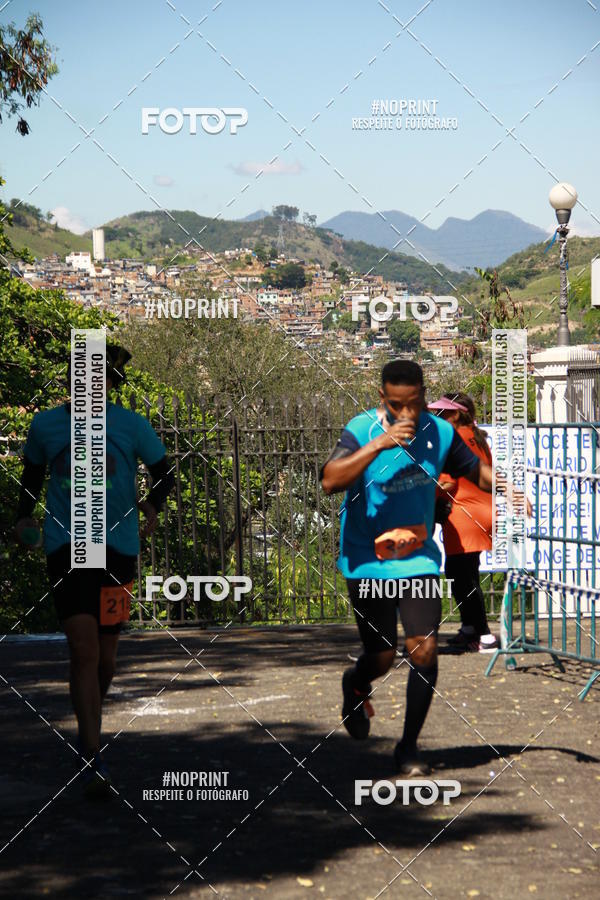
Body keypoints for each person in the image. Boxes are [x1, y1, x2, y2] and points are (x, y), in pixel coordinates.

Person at [319, 360, 497, 775]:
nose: (406, 414)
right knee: (381, 656)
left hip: (417, 561)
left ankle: (409, 748)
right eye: (396, 406)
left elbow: (477, 472)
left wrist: (509, 484)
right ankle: (356, 683)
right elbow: (330, 480)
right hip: (367, 562)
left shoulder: (441, 432)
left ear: (422, 396)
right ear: (383, 399)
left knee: (424, 648)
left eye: (413, 404)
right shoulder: (361, 428)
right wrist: (377, 445)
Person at [15, 343, 175, 797]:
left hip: (118, 550)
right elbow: (30, 478)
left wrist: (152, 504)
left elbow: (164, 472)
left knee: (105, 660)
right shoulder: (46, 425)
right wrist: (23, 518)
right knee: (84, 651)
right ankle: (91, 754)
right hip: (67, 547)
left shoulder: (130, 425)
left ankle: (89, 720)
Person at [429, 393, 497, 653]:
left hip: (464, 515)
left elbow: (447, 482)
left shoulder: (455, 440)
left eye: (442, 413)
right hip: (481, 512)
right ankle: (469, 628)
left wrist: (422, 490)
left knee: (462, 578)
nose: (438, 418)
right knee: (466, 572)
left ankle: (484, 635)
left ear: (455, 415)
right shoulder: (478, 439)